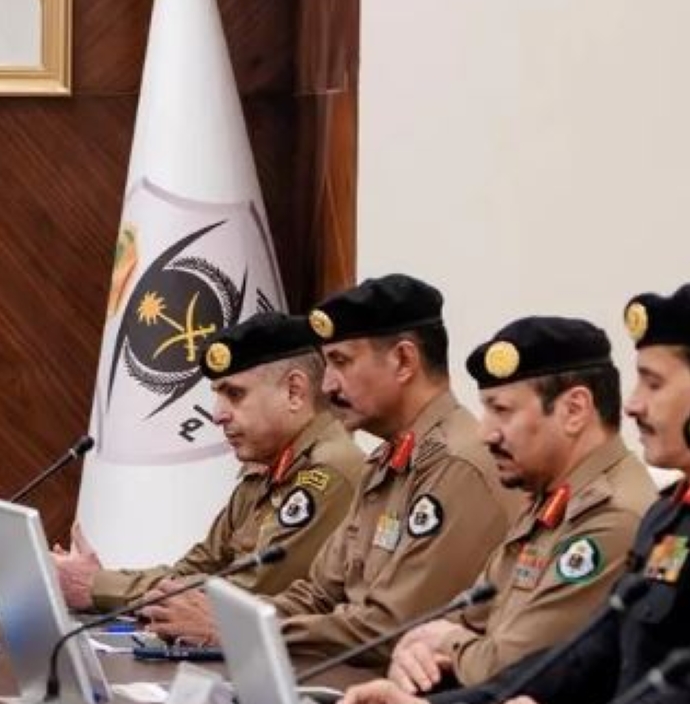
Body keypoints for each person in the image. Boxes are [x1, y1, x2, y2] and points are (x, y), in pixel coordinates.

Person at [340, 286, 690, 704]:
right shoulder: (669, 516)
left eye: (654, 383)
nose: (633, 405)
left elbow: (681, 695)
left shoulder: (620, 513)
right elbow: (587, 657)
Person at [139, 274, 514, 659]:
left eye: (341, 362)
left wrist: (242, 631)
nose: (328, 385)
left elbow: (392, 628)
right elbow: (317, 595)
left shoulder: (456, 463)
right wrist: (231, 622)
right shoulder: (385, 463)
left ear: (403, 361)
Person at [379, 317, 653, 693]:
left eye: (502, 410)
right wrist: (417, 649)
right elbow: (466, 617)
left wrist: (445, 643)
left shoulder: (612, 516)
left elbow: (514, 668)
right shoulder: (550, 496)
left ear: (574, 410)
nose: (484, 433)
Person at [53, 313, 363, 612]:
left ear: (294, 392)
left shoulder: (328, 471)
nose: (217, 415)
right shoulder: (266, 470)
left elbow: (246, 592)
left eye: (235, 394)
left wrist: (99, 586)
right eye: (218, 395)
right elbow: (193, 569)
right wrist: (100, 583)